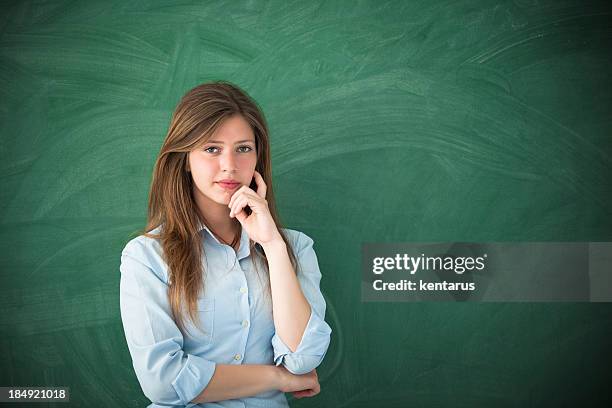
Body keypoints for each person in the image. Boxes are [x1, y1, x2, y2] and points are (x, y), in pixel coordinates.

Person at [119, 81, 332, 407]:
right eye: (211, 149)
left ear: (258, 157)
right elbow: (163, 381)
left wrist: (273, 245)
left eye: (243, 148)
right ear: (185, 158)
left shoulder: (294, 248)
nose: (229, 165)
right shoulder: (146, 256)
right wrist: (276, 378)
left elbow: (303, 360)